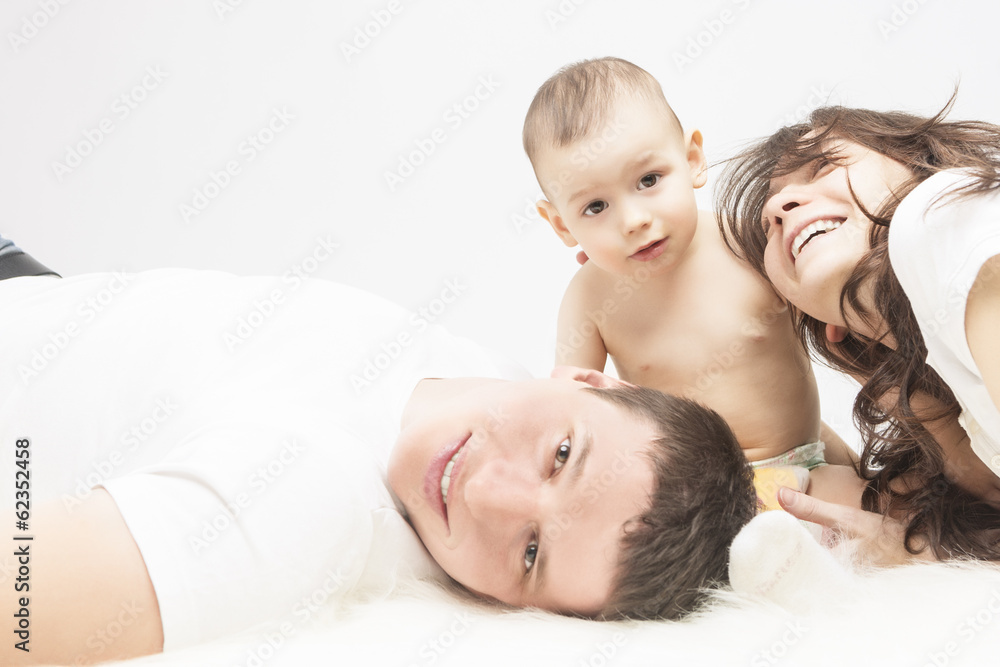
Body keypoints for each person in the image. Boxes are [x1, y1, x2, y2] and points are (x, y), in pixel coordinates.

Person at [0, 266, 761, 665]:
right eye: (561, 456)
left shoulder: (309, 502)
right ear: (591, 379)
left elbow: (22, 611)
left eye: (531, 553)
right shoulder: (482, 374)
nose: (486, 493)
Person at [521, 57, 857, 488]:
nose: (634, 220)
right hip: (700, 494)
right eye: (596, 207)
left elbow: (833, 311)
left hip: (806, 452)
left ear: (692, 159)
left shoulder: (746, 241)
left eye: (648, 180)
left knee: (882, 498)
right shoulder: (590, 300)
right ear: (562, 225)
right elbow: (573, 410)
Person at [717, 99, 1000, 561]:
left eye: (823, 165)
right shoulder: (970, 420)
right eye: (770, 225)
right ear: (831, 327)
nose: (779, 207)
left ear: (918, 164)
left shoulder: (938, 209)